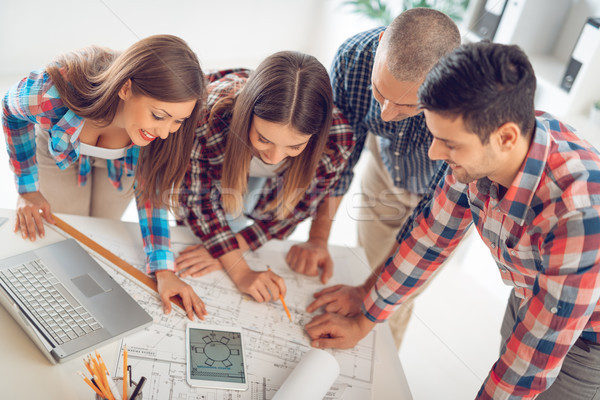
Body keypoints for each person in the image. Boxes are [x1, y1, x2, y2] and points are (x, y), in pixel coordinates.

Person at [305, 41, 600, 399]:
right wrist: (364, 318)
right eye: (434, 137)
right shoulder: (486, 148)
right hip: (528, 298)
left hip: (589, 346)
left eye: (449, 144)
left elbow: (529, 365)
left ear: (505, 137)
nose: (434, 153)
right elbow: (430, 240)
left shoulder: (581, 213)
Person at [285, 7, 461, 347]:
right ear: (380, 45)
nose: (385, 114)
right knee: (367, 262)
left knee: (392, 298)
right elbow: (339, 157)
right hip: (386, 168)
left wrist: (369, 292)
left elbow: (431, 226)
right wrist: (318, 239)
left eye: (407, 107)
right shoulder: (354, 58)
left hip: (445, 196)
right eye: (379, 93)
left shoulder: (466, 109)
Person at [2, 35, 208, 320]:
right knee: (66, 231)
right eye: (159, 116)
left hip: (119, 166)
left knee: (98, 228)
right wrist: (26, 187)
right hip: (61, 152)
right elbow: (10, 112)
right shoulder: (47, 95)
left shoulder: (162, 132)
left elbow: (151, 193)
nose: (165, 132)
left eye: (178, 120)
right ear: (126, 88)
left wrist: (164, 270)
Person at [172, 51, 354, 302]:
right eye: (264, 139)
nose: (274, 158)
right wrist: (239, 268)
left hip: (268, 191)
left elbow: (294, 210)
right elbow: (196, 201)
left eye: (294, 146)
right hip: (215, 177)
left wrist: (230, 249)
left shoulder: (338, 139)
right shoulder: (209, 113)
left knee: (228, 234)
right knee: (197, 236)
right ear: (246, 114)